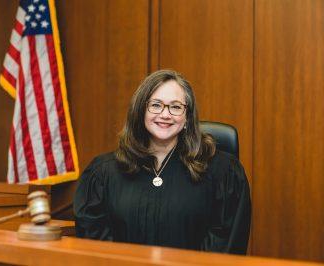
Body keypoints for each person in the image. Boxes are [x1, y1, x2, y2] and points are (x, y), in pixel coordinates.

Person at [73, 70, 251, 254]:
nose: (165, 114)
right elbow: (95, 243)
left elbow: (224, 245)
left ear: (187, 118)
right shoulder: (104, 173)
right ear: (141, 110)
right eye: (156, 105)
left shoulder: (223, 172)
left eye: (175, 107)